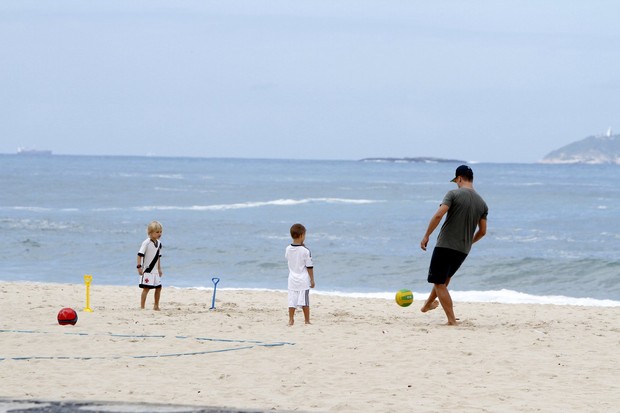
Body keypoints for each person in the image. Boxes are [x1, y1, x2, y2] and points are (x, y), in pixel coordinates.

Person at [420, 165, 488, 325]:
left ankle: (451, 320)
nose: (456, 184)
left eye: (456, 181)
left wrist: (426, 235)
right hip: (463, 250)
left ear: (459, 178)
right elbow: (483, 231)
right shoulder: (482, 203)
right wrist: (469, 241)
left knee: (439, 282)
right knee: (443, 280)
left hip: (445, 245)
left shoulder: (453, 194)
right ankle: (428, 304)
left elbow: (438, 215)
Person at [285, 223, 315, 326]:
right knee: (305, 301)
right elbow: (309, 266)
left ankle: (291, 319)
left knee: (292, 300)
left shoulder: (288, 248)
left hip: (292, 279)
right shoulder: (306, 251)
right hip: (303, 280)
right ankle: (307, 320)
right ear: (302, 235)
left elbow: (289, 258)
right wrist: (312, 280)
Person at [137, 221, 164, 310]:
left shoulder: (159, 243)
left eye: (160, 232)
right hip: (148, 270)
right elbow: (140, 255)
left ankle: (156, 306)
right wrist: (139, 267)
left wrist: (159, 269)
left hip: (155, 271)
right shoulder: (146, 243)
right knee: (146, 288)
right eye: (157, 232)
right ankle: (142, 307)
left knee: (159, 287)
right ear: (150, 232)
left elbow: (158, 257)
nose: (159, 234)